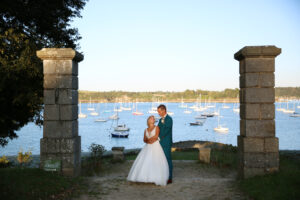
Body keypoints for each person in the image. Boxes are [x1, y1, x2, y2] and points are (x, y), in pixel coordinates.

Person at [127, 116, 169, 186]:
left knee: (155, 161)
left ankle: (155, 178)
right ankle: (143, 177)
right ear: (148, 120)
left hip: (155, 146)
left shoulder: (157, 127)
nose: (153, 119)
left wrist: (149, 140)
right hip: (147, 146)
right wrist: (148, 141)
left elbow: (156, 136)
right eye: (151, 118)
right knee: (145, 161)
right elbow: (144, 139)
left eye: (153, 118)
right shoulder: (146, 129)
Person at [148, 104, 173, 184]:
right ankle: (162, 175)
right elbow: (157, 129)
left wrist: (158, 138)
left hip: (166, 143)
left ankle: (169, 177)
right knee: (161, 160)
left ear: (164, 110)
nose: (158, 113)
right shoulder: (160, 120)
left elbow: (166, 131)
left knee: (167, 159)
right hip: (159, 143)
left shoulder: (169, 119)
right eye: (158, 111)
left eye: (159, 111)